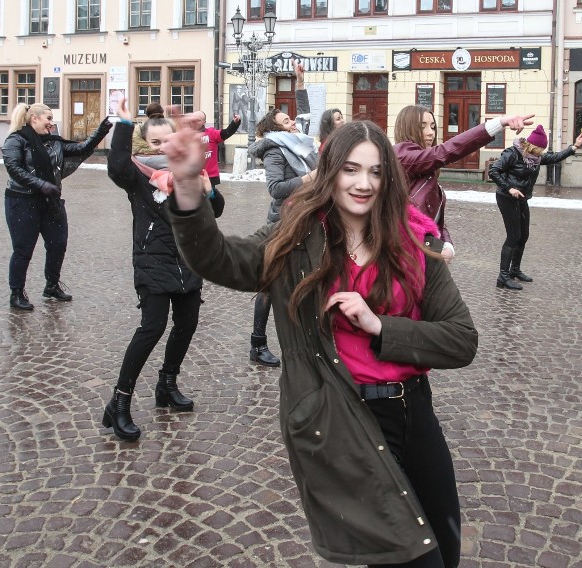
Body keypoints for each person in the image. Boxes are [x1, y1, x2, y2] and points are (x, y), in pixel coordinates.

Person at [164, 117, 478, 568]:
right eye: (351, 169)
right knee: (410, 560)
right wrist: (190, 185)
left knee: (445, 553)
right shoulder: (296, 239)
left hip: (415, 415)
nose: (363, 183)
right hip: (345, 418)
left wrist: (381, 326)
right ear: (330, 172)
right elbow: (219, 259)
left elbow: (461, 339)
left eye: (375, 172)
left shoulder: (410, 240)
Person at [100, 97, 225, 441]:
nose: (161, 147)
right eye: (154, 142)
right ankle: (119, 402)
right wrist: (124, 124)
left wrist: (209, 192)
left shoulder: (188, 171)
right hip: (152, 261)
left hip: (188, 261)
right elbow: (116, 166)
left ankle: (166, 385)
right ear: (144, 145)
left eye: (165, 140)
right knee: (151, 328)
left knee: (187, 324)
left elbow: (216, 211)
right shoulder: (138, 175)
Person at [2, 102, 112, 310]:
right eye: (48, 119)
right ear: (34, 118)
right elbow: (13, 168)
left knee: (58, 244)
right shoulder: (16, 140)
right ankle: (16, 293)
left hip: (50, 200)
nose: (51, 124)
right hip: (22, 201)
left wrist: (101, 130)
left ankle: (51, 285)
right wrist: (41, 185)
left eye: (52, 120)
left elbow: (82, 148)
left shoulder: (54, 142)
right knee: (23, 249)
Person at [393, 105, 533, 261]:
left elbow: (436, 220)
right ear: (406, 128)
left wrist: (447, 245)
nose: (430, 132)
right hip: (405, 252)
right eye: (422, 127)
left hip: (423, 250)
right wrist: (499, 123)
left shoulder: (425, 167)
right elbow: (445, 152)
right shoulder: (401, 155)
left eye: (433, 126)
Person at [246, 61, 317, 367]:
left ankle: (305, 341)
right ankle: (257, 343)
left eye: (292, 120)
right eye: (287, 122)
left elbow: (305, 114)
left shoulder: (298, 144)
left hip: (305, 220)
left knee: (305, 280)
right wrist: (310, 179)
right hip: (282, 223)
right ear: (277, 130)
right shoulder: (277, 150)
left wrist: (300, 82)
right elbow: (275, 188)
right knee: (270, 284)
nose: (295, 123)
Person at [489, 125, 582, 290]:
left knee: (523, 235)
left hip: (522, 198)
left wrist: (573, 147)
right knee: (513, 236)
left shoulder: (536, 157)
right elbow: (494, 171)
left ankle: (514, 270)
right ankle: (502, 277)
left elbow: (554, 157)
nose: (541, 154)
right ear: (532, 146)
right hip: (506, 197)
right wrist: (509, 188)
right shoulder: (512, 153)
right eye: (539, 149)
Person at [186, 110, 241, 191]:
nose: (194, 122)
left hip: (209, 177)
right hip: (191, 177)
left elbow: (226, 133)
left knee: (209, 202)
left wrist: (235, 123)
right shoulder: (185, 135)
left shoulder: (211, 133)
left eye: (198, 120)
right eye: (192, 120)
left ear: (204, 122)